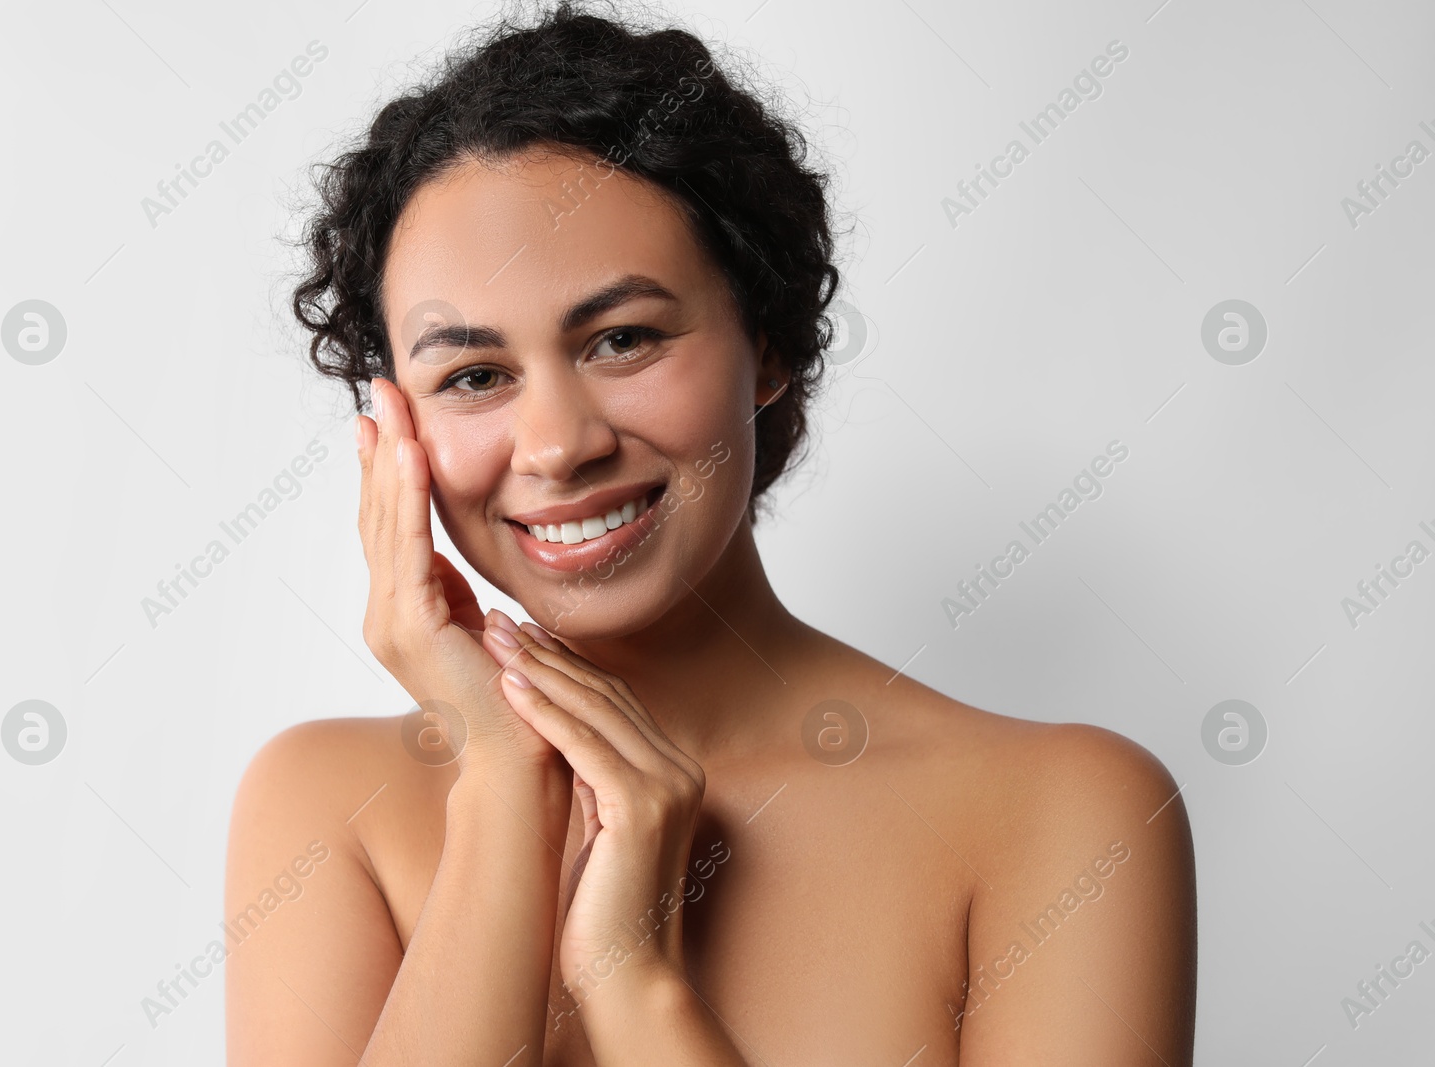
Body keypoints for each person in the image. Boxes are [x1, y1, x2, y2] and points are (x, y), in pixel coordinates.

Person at [224, 2, 1197, 1063]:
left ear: (766, 343)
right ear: (394, 428)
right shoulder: (324, 806)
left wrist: (634, 982)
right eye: (473, 375)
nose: (555, 444)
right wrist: (504, 788)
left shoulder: (1063, 815)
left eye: (622, 338)